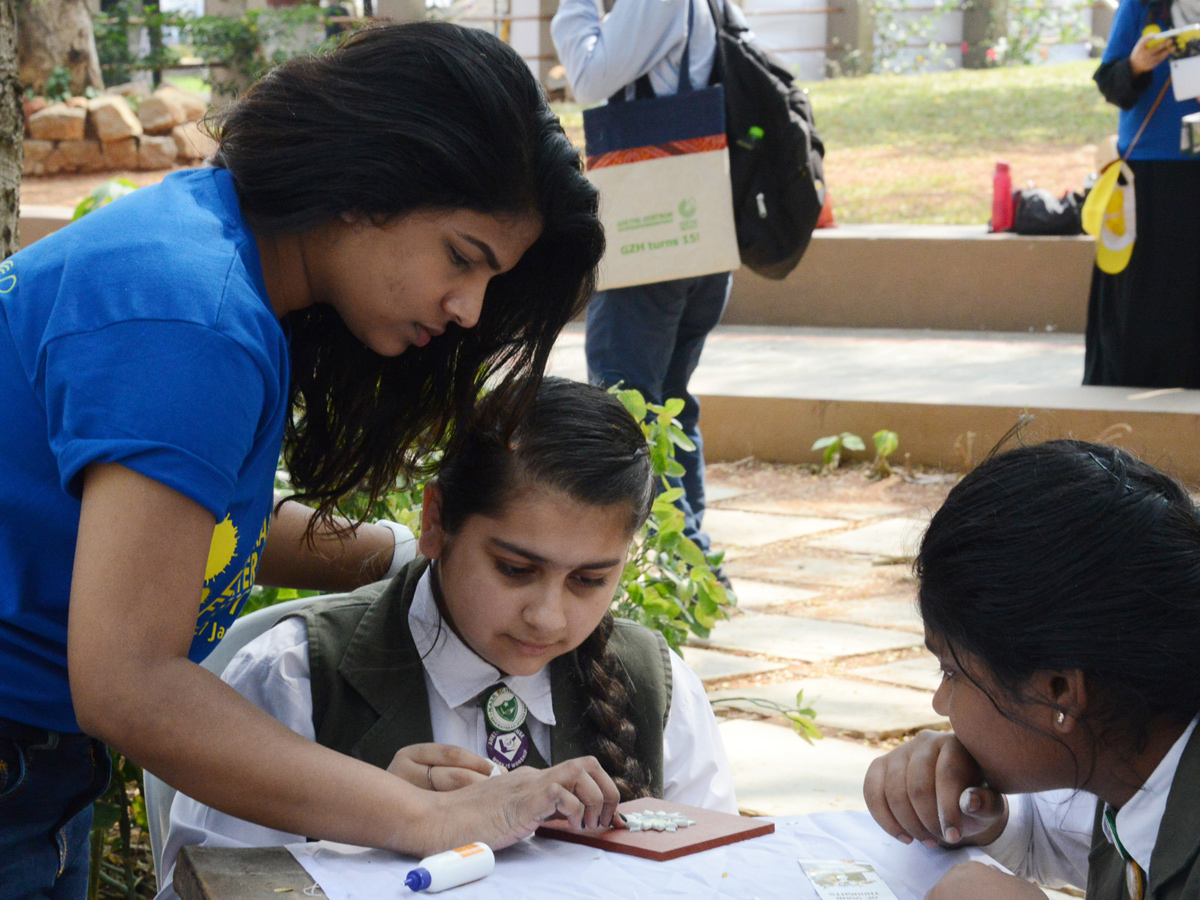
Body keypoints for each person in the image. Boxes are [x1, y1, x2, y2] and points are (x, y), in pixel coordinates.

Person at [0, 22, 607, 900]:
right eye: (462, 258)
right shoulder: (192, 320)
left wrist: (400, 552)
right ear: (370, 182)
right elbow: (129, 682)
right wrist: (426, 817)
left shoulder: (215, 260)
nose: (471, 309)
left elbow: (181, 526)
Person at [155, 377, 737, 897]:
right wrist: (372, 828)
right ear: (435, 520)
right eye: (515, 569)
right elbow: (204, 887)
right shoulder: (298, 677)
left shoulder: (653, 685)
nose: (548, 617)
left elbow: (726, 876)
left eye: (590, 580)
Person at [862, 440, 1200, 900]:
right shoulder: (1136, 760)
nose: (940, 703)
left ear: (1058, 690)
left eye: (952, 673)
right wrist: (988, 820)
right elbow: (1076, 836)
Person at [551, 0, 746, 563]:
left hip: (652, 243)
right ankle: (689, 560)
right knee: (670, 409)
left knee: (628, 410)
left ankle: (658, 562)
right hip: (701, 232)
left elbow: (589, 77)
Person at [1085, 0, 1200, 387]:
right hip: (1150, 168)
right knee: (1143, 291)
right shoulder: (1140, 6)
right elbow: (1109, 82)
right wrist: (1135, 65)